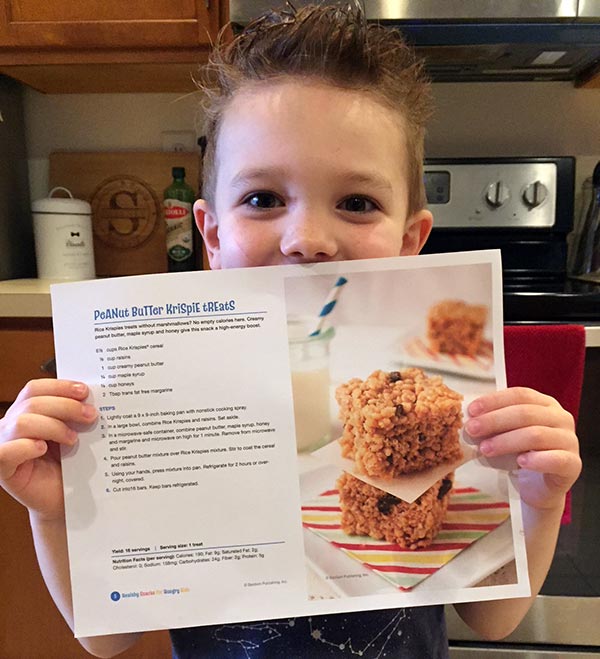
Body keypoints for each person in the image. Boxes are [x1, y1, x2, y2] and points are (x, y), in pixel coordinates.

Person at [0, 4, 581, 658]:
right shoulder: (162, 399)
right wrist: (53, 511)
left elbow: (494, 618)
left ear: (410, 239)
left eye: (357, 202)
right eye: (264, 199)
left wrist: (535, 502)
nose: (306, 239)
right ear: (212, 234)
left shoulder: (439, 395)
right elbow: (109, 637)